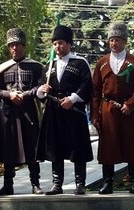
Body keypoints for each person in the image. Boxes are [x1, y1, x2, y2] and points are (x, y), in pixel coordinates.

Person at [91, 23, 134, 195]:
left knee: (132, 146)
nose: (113, 43)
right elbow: (95, 90)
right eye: (111, 40)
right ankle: (107, 182)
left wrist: (131, 105)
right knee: (108, 147)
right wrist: (95, 115)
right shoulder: (102, 63)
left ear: (125, 41)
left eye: (117, 40)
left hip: (129, 111)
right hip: (108, 109)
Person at [36, 25, 93, 195]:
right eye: (55, 44)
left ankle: (80, 183)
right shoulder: (49, 66)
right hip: (54, 112)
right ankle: (57, 184)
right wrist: (41, 90)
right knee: (56, 147)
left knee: (78, 147)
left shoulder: (80, 63)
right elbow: (40, 89)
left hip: (74, 112)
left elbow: (87, 85)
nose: (57, 47)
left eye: (60, 43)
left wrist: (73, 99)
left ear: (69, 44)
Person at [0, 28, 44, 195]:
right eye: (11, 45)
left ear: (24, 46)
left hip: (28, 112)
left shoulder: (35, 67)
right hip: (8, 114)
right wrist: (9, 94)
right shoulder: (2, 69)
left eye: (17, 44)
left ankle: (35, 184)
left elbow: (40, 87)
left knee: (31, 148)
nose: (15, 48)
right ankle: (8, 185)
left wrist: (26, 95)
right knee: (8, 149)